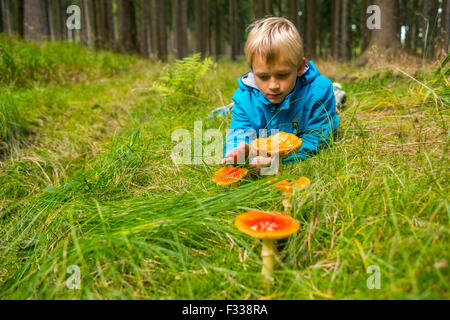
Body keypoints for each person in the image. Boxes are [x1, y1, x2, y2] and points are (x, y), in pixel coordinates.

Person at [221, 17, 340, 168]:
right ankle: (225, 109)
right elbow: (238, 132)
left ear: (299, 67)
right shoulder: (244, 99)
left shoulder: (319, 92)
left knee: (335, 100)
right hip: (251, 104)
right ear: (252, 71)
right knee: (234, 111)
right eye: (263, 76)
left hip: (312, 98)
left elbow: (318, 138)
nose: (273, 86)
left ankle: (338, 93)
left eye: (282, 75)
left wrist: (278, 161)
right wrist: (238, 151)